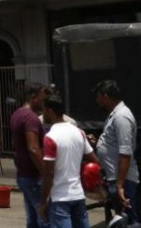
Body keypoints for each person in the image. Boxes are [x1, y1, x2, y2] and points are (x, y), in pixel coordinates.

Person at [39, 95, 98, 228]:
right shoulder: (79, 133)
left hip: (60, 199)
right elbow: (94, 160)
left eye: (44, 111)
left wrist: (43, 202)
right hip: (78, 196)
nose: (42, 115)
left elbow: (49, 173)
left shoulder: (50, 137)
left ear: (50, 111)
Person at [92, 80, 139, 226]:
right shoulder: (114, 114)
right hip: (116, 178)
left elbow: (125, 153)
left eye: (98, 97)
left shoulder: (121, 117)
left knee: (129, 221)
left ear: (105, 96)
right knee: (121, 219)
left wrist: (119, 186)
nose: (97, 101)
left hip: (123, 180)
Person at [10, 82, 48, 228]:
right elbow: (33, 148)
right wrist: (45, 173)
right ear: (33, 97)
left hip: (24, 174)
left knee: (32, 217)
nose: (44, 103)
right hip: (33, 176)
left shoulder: (17, 114)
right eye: (42, 99)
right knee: (44, 217)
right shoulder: (31, 118)